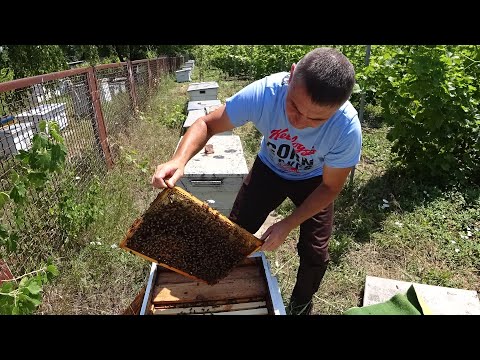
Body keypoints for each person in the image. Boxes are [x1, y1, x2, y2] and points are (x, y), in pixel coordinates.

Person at [151, 47, 362, 315]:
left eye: (317, 119)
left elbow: (331, 187)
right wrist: (179, 160)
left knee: (316, 253)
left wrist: (287, 223)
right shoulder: (266, 93)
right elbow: (208, 124)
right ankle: (218, 286)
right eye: (294, 107)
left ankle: (300, 303)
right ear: (292, 73)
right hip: (269, 170)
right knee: (235, 231)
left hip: (314, 181)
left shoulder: (346, 128)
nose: (300, 122)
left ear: (339, 107)